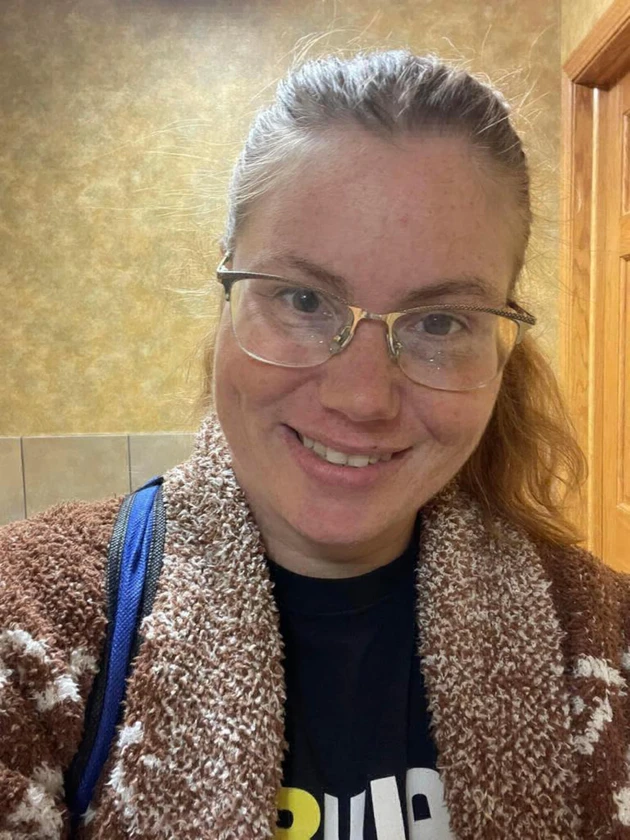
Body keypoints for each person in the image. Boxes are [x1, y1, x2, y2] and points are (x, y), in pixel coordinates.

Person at [0, 49, 628, 840]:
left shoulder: (602, 642)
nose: (361, 398)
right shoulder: (32, 630)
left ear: (502, 347)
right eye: (303, 300)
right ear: (226, 297)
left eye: (439, 323)